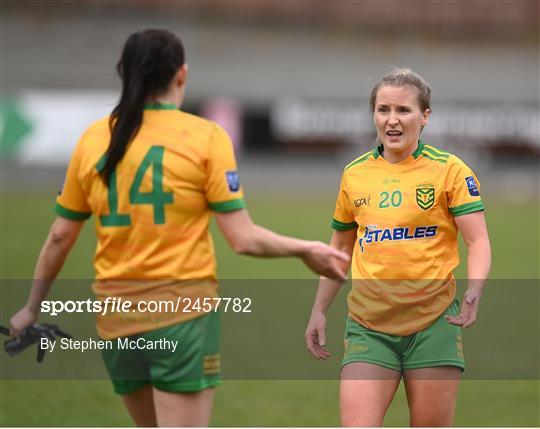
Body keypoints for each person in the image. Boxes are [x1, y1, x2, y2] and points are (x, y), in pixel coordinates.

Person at [9, 29, 349, 427]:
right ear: (181, 75)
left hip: (116, 321)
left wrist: (32, 307)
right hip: (182, 319)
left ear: (125, 73)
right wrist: (304, 249)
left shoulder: (95, 138)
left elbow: (59, 236)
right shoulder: (204, 137)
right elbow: (243, 238)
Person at [305, 68, 491, 427]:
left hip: (434, 323)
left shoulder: (450, 170)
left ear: (425, 116)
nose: (392, 120)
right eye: (383, 109)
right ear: (373, 114)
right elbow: (340, 248)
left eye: (403, 110)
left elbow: (478, 239)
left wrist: (476, 287)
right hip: (368, 326)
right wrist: (319, 308)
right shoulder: (354, 173)